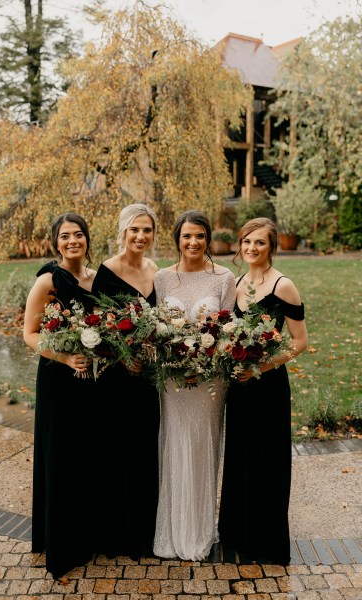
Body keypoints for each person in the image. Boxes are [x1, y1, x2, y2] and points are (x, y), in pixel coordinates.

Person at [218, 217, 308, 565]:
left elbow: (299, 342)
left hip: (268, 385)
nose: (252, 248)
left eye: (260, 243)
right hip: (239, 388)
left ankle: (266, 541)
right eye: (247, 242)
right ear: (240, 245)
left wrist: (262, 365)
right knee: (241, 454)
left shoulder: (284, 286)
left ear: (272, 247)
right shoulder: (237, 282)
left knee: (266, 459)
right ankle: (238, 533)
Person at [152, 209, 236, 562]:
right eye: (187, 236)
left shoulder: (224, 278)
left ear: (208, 240)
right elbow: (157, 330)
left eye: (200, 235)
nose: (193, 242)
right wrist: (173, 359)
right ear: (177, 239)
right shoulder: (162, 279)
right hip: (172, 380)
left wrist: (205, 361)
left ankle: (200, 530)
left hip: (209, 380)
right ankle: (171, 532)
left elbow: (228, 332)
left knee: (203, 445)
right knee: (175, 442)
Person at [23, 212, 100, 579]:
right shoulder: (48, 280)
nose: (73, 241)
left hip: (90, 379)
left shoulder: (95, 278)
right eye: (66, 236)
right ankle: (62, 542)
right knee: (61, 454)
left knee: (85, 453)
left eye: (79, 235)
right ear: (56, 242)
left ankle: (86, 533)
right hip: (58, 376)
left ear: (87, 239)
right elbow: (30, 334)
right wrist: (66, 356)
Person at [93, 203, 160, 560]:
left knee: (144, 450)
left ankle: (144, 532)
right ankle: (115, 533)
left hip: (147, 378)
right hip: (116, 380)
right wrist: (123, 356)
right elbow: (97, 328)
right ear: (122, 232)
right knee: (116, 450)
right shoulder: (106, 271)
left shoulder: (155, 271)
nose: (140, 236)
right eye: (134, 229)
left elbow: (160, 323)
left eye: (146, 230)